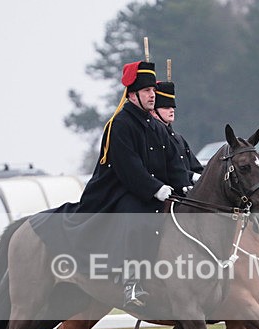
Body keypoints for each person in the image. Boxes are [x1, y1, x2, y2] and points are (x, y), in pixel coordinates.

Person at [30, 60, 189, 308]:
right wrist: (156, 189)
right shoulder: (119, 124)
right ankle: (131, 282)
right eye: (147, 91)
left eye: (153, 91)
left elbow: (172, 161)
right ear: (133, 93)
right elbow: (129, 168)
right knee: (138, 220)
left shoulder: (156, 127)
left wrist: (185, 186)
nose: (152, 95)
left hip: (145, 189)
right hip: (117, 191)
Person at [152, 80, 204, 183]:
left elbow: (196, 167)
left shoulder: (179, 139)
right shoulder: (152, 137)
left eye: (172, 107)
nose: (171, 110)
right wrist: (192, 176)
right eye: (166, 107)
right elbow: (165, 169)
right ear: (153, 112)